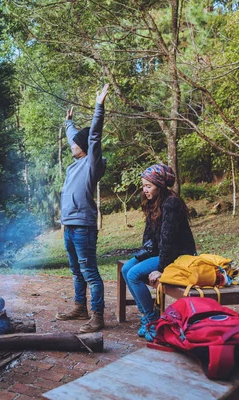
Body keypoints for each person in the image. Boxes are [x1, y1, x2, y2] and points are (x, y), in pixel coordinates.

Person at [55, 84, 109, 333]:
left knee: (89, 272)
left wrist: (99, 106)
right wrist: (69, 123)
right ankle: (80, 307)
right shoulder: (76, 162)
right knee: (76, 271)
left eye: (75, 143)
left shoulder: (91, 163)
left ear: (85, 147)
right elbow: (75, 137)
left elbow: (94, 135)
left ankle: (97, 316)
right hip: (69, 225)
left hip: (83, 227)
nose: (71, 145)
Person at [122, 164, 196, 341]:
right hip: (160, 251)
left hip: (178, 255)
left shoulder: (171, 203)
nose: (145, 190)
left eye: (149, 186)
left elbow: (168, 240)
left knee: (133, 275)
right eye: (143, 186)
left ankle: (152, 320)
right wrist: (142, 255)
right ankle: (147, 317)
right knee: (126, 269)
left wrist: (162, 268)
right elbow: (149, 236)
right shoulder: (152, 202)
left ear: (160, 186)